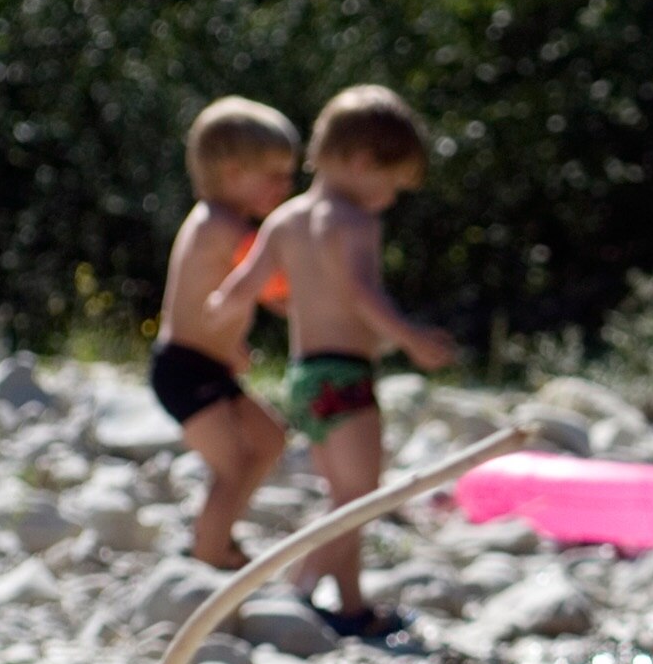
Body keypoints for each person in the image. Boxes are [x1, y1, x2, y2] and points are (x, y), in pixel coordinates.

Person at [204, 84, 456, 635]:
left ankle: (351, 606)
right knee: (360, 501)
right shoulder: (356, 222)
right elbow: (364, 293)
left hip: (304, 378)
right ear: (363, 162)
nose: (388, 200)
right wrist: (412, 339)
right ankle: (299, 588)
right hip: (347, 373)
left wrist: (220, 324)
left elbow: (243, 287)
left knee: (344, 496)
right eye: (389, 186)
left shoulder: (287, 219)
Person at [151, 98, 298, 569]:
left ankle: (216, 535)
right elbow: (273, 287)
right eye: (275, 174)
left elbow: (206, 301)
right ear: (234, 173)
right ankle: (208, 557)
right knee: (232, 464)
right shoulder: (222, 226)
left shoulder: (221, 223)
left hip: (207, 362)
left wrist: (232, 345)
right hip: (183, 366)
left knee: (270, 439)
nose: (286, 186)